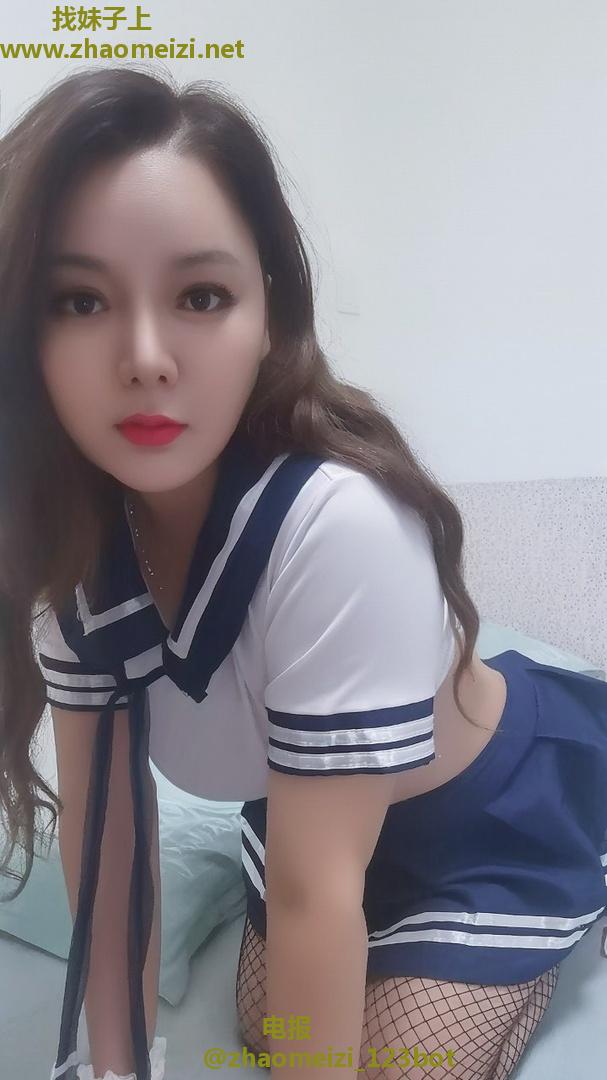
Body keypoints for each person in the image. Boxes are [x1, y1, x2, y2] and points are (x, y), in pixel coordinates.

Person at [0, 66, 605, 1080]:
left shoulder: (339, 528)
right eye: (80, 300)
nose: (145, 357)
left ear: (269, 313)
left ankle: (557, 911)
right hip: (304, 815)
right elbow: (111, 859)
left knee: (387, 1065)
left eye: (200, 295)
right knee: (268, 1031)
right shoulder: (75, 536)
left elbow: (316, 896)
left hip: (487, 817)